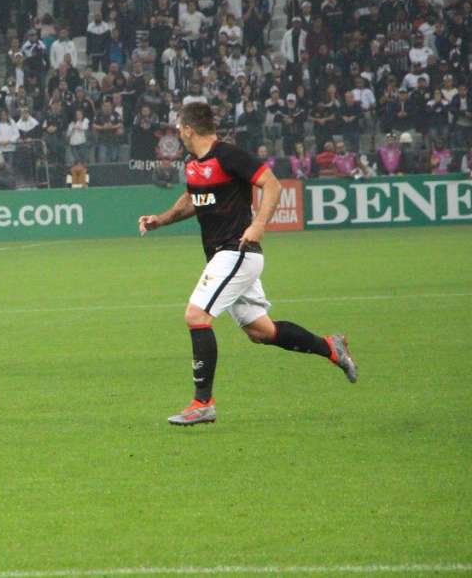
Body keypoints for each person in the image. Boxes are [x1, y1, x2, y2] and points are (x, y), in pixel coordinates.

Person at [137, 103, 357, 426]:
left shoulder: (227, 155)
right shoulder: (194, 164)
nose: (177, 131)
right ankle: (331, 347)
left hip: (237, 250)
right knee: (261, 331)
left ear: (188, 129)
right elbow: (192, 200)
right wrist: (161, 220)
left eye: (178, 126)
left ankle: (203, 403)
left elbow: (272, 184)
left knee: (196, 315)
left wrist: (259, 225)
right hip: (224, 256)